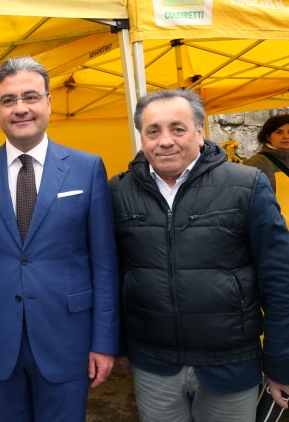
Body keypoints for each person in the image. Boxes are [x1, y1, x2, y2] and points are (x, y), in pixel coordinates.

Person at [0, 56, 120, 422]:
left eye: (30, 96)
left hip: (68, 337)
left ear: (48, 102)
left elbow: (104, 263)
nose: (20, 108)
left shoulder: (87, 168)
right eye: (8, 100)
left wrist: (104, 342)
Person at [109, 88, 289, 421]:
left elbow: (280, 280)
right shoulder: (118, 191)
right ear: (141, 137)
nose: (165, 140)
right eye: (153, 131)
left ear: (199, 131)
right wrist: (116, 346)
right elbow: (114, 275)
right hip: (153, 365)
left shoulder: (247, 185)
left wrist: (281, 363)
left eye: (177, 128)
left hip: (230, 363)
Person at [245, 114, 289, 218]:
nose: (286, 136)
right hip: (275, 225)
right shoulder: (258, 162)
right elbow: (243, 196)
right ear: (268, 137)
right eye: (279, 132)